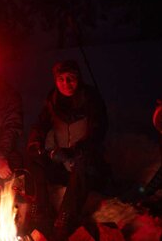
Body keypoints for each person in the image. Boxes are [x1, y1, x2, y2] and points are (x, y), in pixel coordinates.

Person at [26, 60, 109, 240]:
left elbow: (97, 133)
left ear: (78, 79)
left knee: (83, 162)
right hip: (62, 162)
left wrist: (74, 151)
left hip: (87, 166)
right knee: (33, 157)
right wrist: (36, 142)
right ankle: (41, 209)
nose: (66, 84)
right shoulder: (53, 101)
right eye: (61, 79)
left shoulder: (91, 100)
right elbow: (40, 125)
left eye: (70, 79)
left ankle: (66, 217)